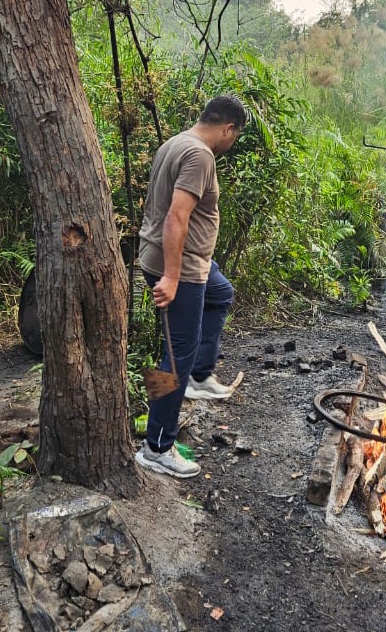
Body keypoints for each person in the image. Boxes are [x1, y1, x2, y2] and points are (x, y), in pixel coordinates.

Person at [134, 95, 247, 479]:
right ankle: (157, 446)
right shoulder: (200, 156)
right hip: (179, 268)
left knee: (222, 293)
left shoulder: (176, 142)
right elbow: (176, 217)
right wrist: (170, 276)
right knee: (174, 356)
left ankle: (200, 375)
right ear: (228, 128)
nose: (231, 144)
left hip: (186, 262)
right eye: (234, 137)